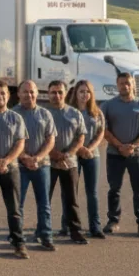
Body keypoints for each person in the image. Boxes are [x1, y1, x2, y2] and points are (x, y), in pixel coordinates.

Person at [102, 72, 139, 238]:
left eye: (128, 83)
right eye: (121, 83)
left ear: (133, 85)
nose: (125, 86)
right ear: (117, 85)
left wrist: (133, 145)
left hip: (137, 154)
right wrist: (119, 145)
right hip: (114, 153)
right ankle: (113, 221)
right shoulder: (108, 105)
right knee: (114, 189)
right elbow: (104, 129)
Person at [0, 80, 29, 259]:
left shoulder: (16, 117)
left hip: (11, 170)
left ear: (8, 96)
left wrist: (6, 161)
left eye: (3, 93)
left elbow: (20, 143)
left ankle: (18, 243)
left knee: (14, 209)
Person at [15, 81, 58, 250]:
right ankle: (18, 236)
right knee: (19, 204)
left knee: (44, 203)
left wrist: (38, 158)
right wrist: (25, 157)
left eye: (32, 92)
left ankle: (46, 236)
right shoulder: (12, 113)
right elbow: (12, 142)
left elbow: (50, 139)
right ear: (18, 94)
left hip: (42, 165)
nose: (29, 95)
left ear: (37, 94)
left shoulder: (45, 114)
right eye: (25, 92)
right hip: (20, 166)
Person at [45, 80, 89, 245]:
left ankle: (76, 232)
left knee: (71, 200)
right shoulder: (44, 113)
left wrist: (67, 154)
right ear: (48, 94)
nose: (56, 95)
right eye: (53, 92)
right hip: (48, 163)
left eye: (60, 92)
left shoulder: (75, 113)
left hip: (70, 164)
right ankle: (43, 231)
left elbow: (80, 137)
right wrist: (54, 154)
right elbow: (39, 138)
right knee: (45, 200)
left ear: (65, 93)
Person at [70, 80, 107, 239]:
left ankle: (95, 226)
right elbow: (67, 134)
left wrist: (89, 149)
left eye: (88, 92)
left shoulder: (97, 112)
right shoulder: (69, 112)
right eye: (81, 91)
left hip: (92, 156)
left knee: (92, 192)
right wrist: (79, 149)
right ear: (76, 94)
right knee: (71, 192)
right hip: (73, 156)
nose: (85, 95)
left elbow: (100, 133)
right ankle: (69, 225)